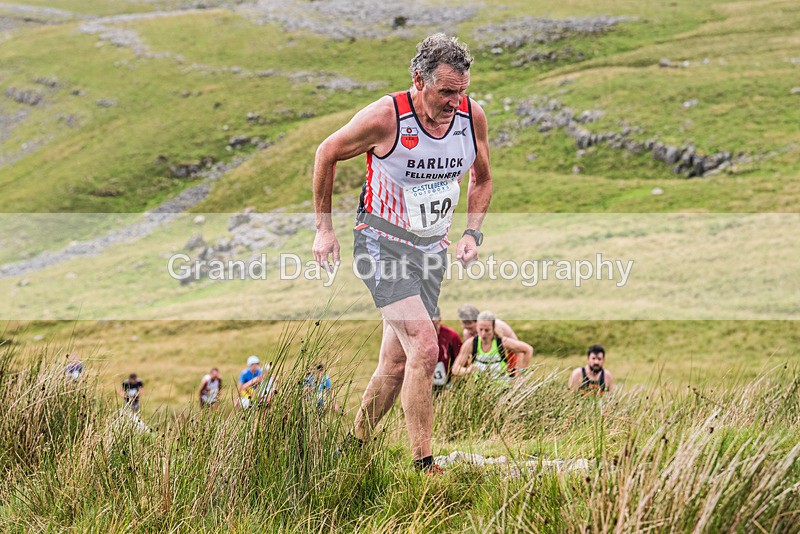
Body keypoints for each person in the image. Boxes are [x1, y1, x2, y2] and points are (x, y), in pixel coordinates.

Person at [312, 34, 492, 472]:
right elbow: (326, 153)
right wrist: (323, 230)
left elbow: (482, 178)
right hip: (380, 242)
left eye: (462, 90)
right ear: (418, 80)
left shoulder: (471, 117)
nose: (455, 101)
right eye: (446, 91)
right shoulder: (387, 117)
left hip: (431, 250)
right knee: (426, 346)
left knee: (395, 363)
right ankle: (423, 465)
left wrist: (472, 233)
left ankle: (350, 450)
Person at [451, 311, 533, 379]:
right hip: (480, 392)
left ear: (493, 328)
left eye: (487, 330)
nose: (483, 334)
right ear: (477, 328)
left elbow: (528, 350)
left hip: (502, 390)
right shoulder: (470, 344)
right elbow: (455, 369)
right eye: (481, 329)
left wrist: (520, 376)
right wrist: (468, 370)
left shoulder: (502, 342)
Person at [431, 307, 462, 389]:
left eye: (433, 317)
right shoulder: (418, 336)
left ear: (440, 319)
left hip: (448, 384)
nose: (431, 320)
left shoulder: (452, 336)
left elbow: (461, 361)